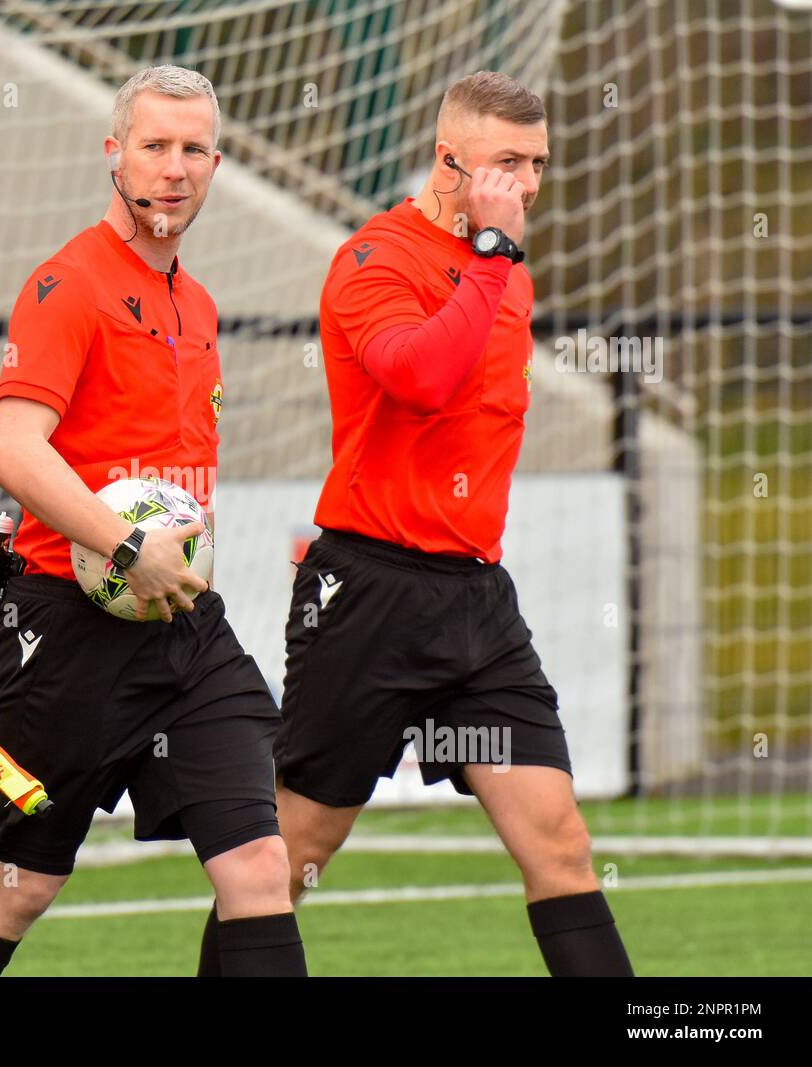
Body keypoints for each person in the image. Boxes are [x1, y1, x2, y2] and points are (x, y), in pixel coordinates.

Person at [0, 66, 307, 978]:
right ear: (116, 154)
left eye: (194, 150)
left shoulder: (201, 304)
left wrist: (159, 559)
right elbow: (14, 451)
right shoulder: (67, 284)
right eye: (154, 146)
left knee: (263, 864)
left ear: (216, 163)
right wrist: (124, 544)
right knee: (19, 887)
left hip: (181, 626)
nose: (174, 169)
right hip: (63, 630)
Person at [274, 71, 635, 976]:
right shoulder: (374, 260)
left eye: (538, 163)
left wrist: (490, 257)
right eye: (506, 161)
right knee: (289, 858)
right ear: (450, 161)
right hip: (367, 592)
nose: (527, 182)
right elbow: (420, 378)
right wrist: (486, 256)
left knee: (559, 843)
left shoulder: (505, 271)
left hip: (477, 601)